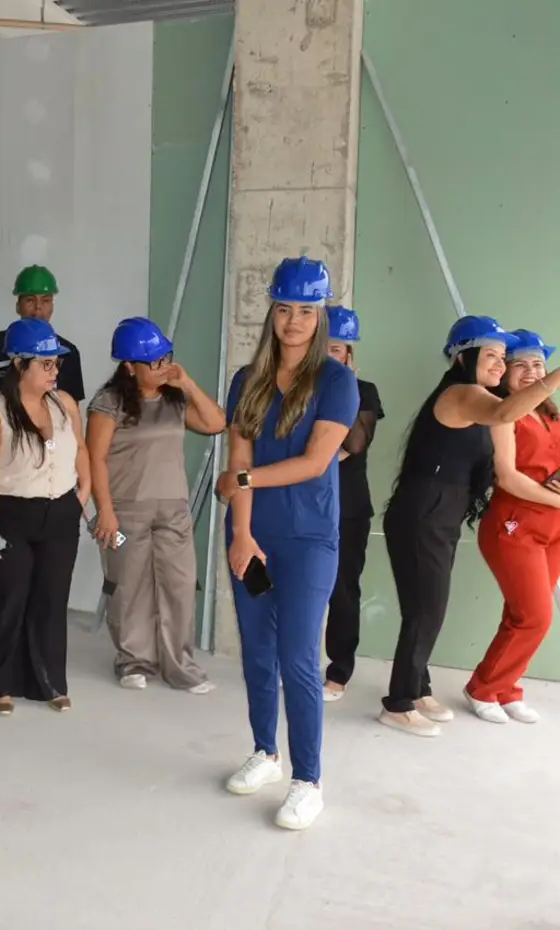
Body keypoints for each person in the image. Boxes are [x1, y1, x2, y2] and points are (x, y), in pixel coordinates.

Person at [214, 257, 358, 831]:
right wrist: (241, 533)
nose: (294, 321)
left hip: (309, 541)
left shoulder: (336, 381)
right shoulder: (245, 380)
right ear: (271, 311)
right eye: (284, 309)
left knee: (297, 657)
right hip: (254, 535)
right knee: (256, 652)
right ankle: (265, 752)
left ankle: (308, 780)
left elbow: (315, 462)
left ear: (320, 316)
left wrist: (243, 482)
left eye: (306, 310)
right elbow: (239, 454)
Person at [380, 316, 560, 738]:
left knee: (425, 608)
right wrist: (554, 377)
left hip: (439, 514)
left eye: (502, 356)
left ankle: (417, 688)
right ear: (464, 357)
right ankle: (398, 704)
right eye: (492, 355)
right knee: (426, 610)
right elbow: (504, 413)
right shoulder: (463, 394)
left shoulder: (476, 397)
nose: (499, 363)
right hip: (423, 512)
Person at [0, 264, 85, 649]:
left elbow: (72, 420)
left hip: (42, 474)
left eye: (45, 300)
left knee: (37, 566)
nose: (38, 308)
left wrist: (80, 486)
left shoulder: (66, 352)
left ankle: (26, 629)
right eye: (30, 300)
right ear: (18, 303)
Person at [86, 316, 225, 692]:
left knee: (179, 586)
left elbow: (216, 423)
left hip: (173, 508)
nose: (164, 367)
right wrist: (106, 511)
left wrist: (188, 384)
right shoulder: (109, 403)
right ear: (129, 367)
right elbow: (95, 458)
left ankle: (180, 665)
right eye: (154, 362)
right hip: (126, 509)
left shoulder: (174, 400)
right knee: (129, 587)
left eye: (166, 358)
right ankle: (134, 661)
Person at [0, 317, 90, 715]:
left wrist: (83, 494)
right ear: (19, 365)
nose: (55, 371)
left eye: (57, 363)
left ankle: (48, 682)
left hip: (60, 513)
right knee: (9, 598)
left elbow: (81, 449)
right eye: (46, 364)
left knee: (51, 600)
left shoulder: (64, 404)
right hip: (8, 515)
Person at [466, 329, 560, 725]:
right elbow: (507, 478)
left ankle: (506, 689)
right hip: (513, 526)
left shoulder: (551, 414)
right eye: (519, 364)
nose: (530, 371)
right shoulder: (503, 412)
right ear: (504, 372)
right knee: (536, 616)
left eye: (537, 364)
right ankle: (482, 688)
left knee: (520, 616)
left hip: (553, 530)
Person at [322, 306, 385, 700]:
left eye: (338, 349)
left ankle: (339, 672)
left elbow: (353, 444)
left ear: (349, 354)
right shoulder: (296, 389)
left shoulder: (364, 391)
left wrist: (343, 387)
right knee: (294, 587)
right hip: (301, 504)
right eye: (324, 348)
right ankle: (291, 662)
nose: (331, 355)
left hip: (348, 508)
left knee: (343, 590)